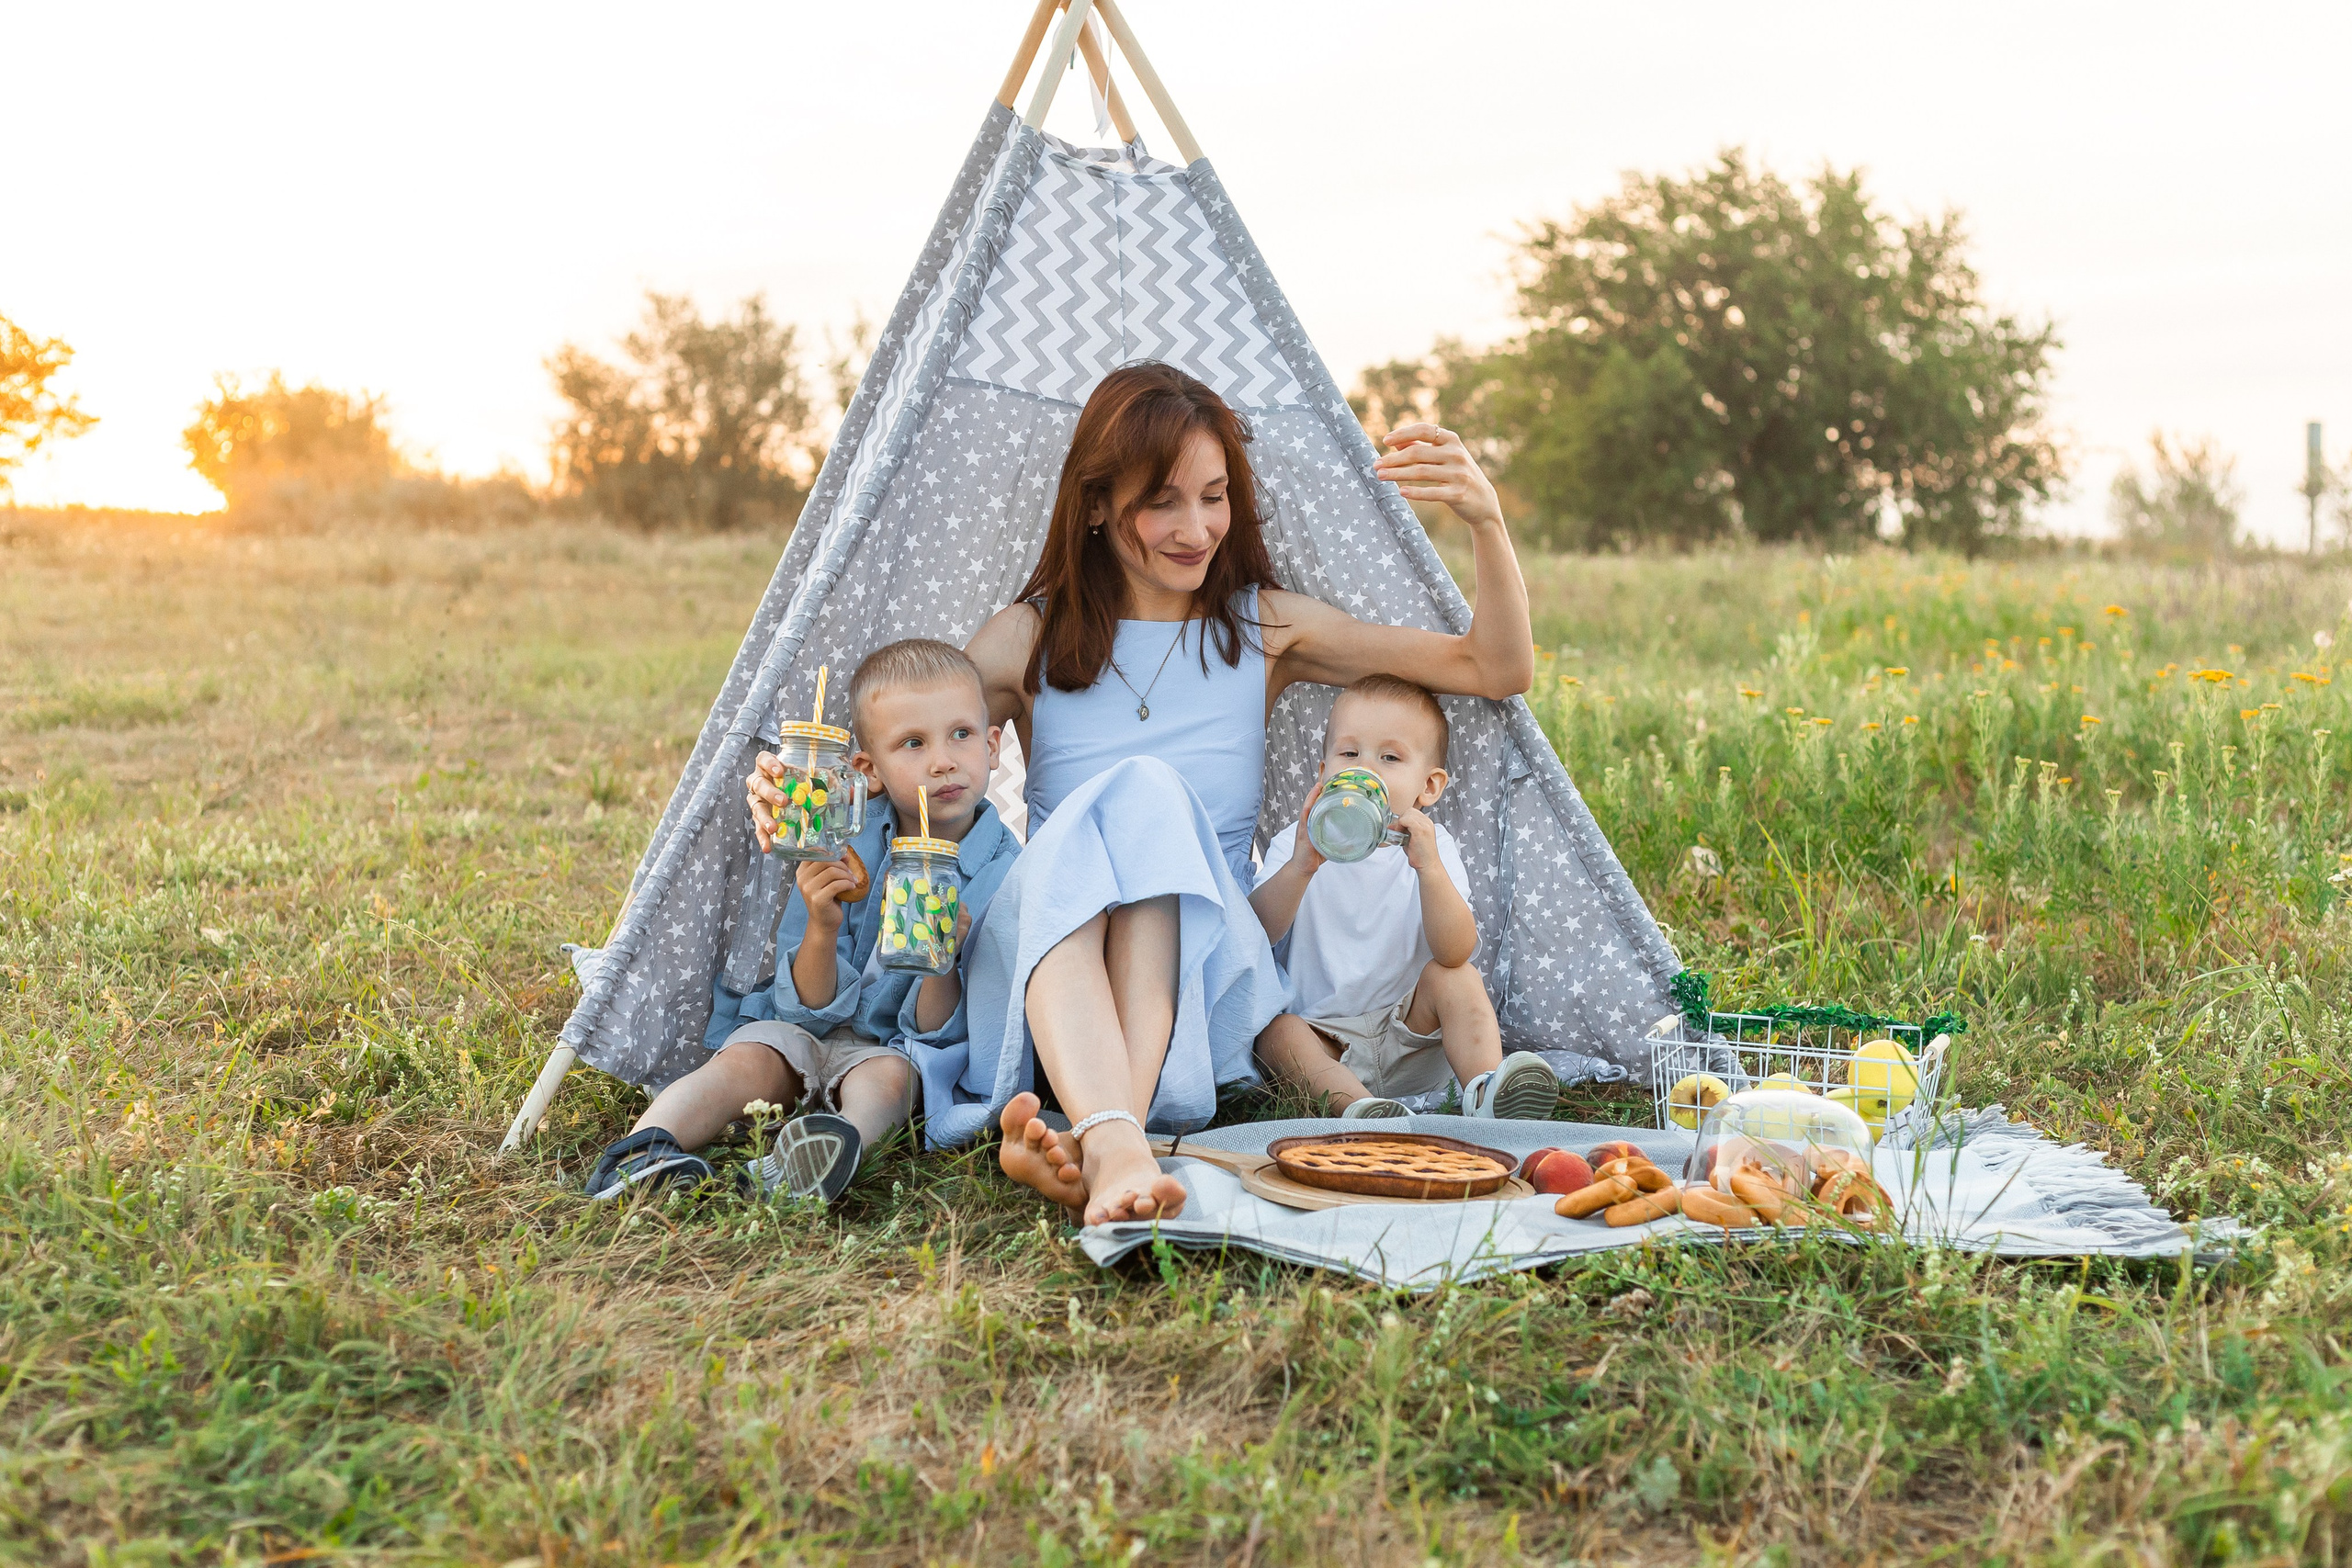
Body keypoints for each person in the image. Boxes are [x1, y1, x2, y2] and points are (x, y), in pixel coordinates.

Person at [749, 362, 1533, 1226]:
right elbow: (908, 750)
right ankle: (1116, 1136)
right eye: (1163, 501)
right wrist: (795, 792)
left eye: (1214, 496)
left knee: (1151, 797)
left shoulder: (1261, 629)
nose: (1196, 529)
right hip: (1045, 962)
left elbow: (1494, 667)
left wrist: (1486, 521)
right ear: (1094, 504)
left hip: (1205, 974)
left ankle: (1100, 1135)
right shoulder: (1029, 636)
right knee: (1122, 806)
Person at [590, 639, 1019, 1203]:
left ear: (992, 746)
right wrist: (820, 924)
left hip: (894, 1051)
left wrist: (941, 965)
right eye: (913, 743)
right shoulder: (838, 837)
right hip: (802, 1031)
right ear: (869, 770)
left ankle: (800, 1171)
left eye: (961, 734)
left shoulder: (1005, 873)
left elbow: (940, 1032)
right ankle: (640, 1155)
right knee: (747, 1059)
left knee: (887, 1086)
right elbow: (803, 1007)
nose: (942, 760)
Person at [1250, 672, 1558, 1121]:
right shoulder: (1295, 846)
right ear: (1323, 774)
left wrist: (1428, 869)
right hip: (1325, 1041)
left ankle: (1488, 1090)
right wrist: (1301, 867)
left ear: (1428, 787)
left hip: (1411, 1035)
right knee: (1277, 1033)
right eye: (1349, 753)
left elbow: (1454, 951)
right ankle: (1361, 1111)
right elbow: (1255, 936)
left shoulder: (1434, 850)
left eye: (1390, 757)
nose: (1365, 769)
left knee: (1458, 978)